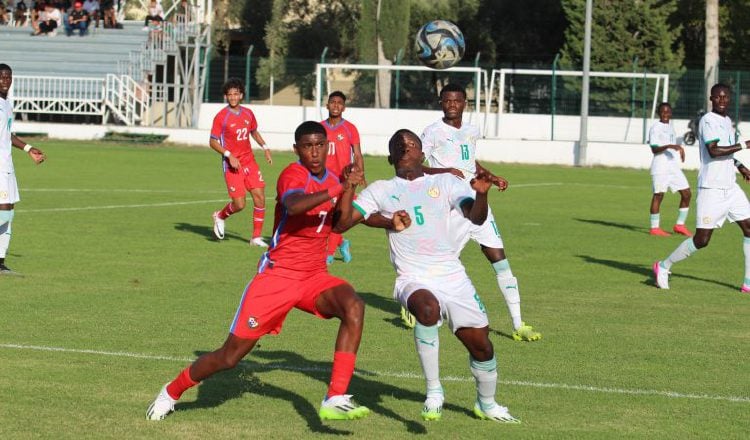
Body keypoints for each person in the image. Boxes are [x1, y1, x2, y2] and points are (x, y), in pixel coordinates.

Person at [146, 121, 370, 421]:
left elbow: (340, 224)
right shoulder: (293, 174)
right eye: (307, 146)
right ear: (297, 149)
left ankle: (335, 396)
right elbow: (294, 205)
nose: (315, 152)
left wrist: (351, 188)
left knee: (354, 306)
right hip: (278, 278)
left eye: (320, 145)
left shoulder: (333, 177)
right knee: (230, 356)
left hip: (314, 276)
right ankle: (172, 391)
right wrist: (339, 186)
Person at [337, 129, 520, 423]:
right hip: (413, 277)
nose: (405, 146)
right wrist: (348, 187)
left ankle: (487, 404)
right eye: (398, 145)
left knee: (482, 346)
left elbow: (476, 216)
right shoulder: (381, 190)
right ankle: (434, 392)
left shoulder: (445, 181)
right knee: (427, 308)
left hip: (452, 275)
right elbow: (342, 224)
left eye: (411, 144)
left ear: (422, 155)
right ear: (390, 157)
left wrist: (482, 194)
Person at [411, 83, 541, 342]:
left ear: (464, 103)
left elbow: (470, 162)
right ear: (440, 103)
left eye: (456, 101)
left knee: (500, 261)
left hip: (479, 204)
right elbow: (415, 164)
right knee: (441, 264)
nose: (451, 105)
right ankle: (416, 307)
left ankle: (518, 324)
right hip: (452, 207)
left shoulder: (471, 130)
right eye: (446, 101)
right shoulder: (433, 132)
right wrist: (444, 172)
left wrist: (491, 177)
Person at [654, 83, 750, 292]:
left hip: (730, 188)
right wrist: (745, 145)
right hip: (711, 189)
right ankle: (663, 266)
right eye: (718, 97)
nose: (722, 100)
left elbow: (727, 153)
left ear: (729, 99)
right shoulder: (707, 120)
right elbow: (714, 151)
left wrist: (740, 165)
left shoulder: (727, 122)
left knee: (749, 229)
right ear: (711, 99)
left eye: (725, 97)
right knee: (702, 240)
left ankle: (748, 283)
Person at [210, 78, 273, 247]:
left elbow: (254, 132)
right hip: (232, 165)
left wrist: (265, 147)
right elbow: (213, 141)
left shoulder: (248, 113)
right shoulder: (221, 117)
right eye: (229, 94)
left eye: (235, 94)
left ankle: (256, 237)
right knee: (240, 204)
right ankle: (220, 216)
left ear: (241, 95)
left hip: (249, 161)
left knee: (260, 197)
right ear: (226, 97)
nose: (232, 97)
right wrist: (229, 155)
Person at [0, 64, 46, 275]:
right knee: (3, 213)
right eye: (2, 77)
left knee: (9, 214)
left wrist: (28, 148)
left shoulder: (7, 104)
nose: (5, 80)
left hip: (7, 165)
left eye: (8, 77)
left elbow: (7, 134)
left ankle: (0, 263)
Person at [321, 91, 364, 265]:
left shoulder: (350, 128)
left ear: (344, 107)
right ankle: (342, 242)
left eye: (339, 103)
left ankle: (329, 254)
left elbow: (358, 155)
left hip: (344, 180)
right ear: (327, 105)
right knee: (327, 217)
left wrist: (360, 173)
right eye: (333, 102)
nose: (336, 105)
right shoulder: (319, 127)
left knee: (338, 217)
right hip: (323, 180)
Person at [647, 102, 692, 237]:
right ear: (658, 113)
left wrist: (679, 148)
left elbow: (671, 146)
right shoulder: (656, 128)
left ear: (671, 113)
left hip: (673, 167)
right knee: (659, 195)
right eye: (663, 112)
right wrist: (670, 146)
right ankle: (654, 228)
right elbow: (654, 149)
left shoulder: (671, 128)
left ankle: (679, 225)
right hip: (660, 167)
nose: (665, 114)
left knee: (687, 193)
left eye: (668, 112)